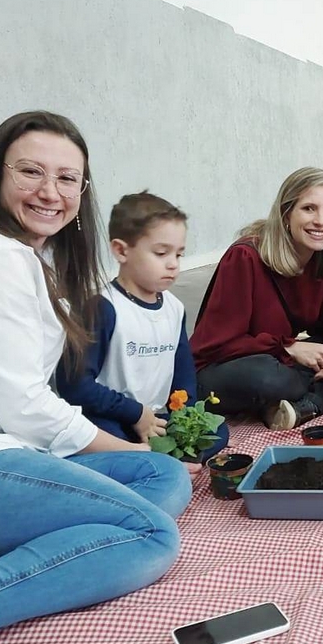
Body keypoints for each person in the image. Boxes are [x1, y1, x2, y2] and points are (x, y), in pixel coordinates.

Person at [0, 111, 191, 631]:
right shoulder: (4, 259)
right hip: (7, 453)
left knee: (165, 474)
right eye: (30, 171)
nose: (50, 192)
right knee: (153, 534)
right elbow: (26, 405)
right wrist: (130, 446)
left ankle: (56, 536)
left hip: (24, 450)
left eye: (67, 178)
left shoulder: (41, 261)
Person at [190, 167, 323, 430]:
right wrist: (289, 348)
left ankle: (304, 405)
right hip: (222, 369)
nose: (320, 221)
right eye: (309, 209)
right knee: (275, 379)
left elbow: (322, 324)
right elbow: (217, 346)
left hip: (276, 357)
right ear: (286, 214)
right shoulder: (246, 257)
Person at [56, 192, 229, 467]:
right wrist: (135, 414)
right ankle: (157, 462)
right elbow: (75, 386)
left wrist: (185, 422)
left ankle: (157, 461)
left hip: (156, 418)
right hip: (111, 417)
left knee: (217, 430)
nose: (173, 263)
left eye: (179, 254)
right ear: (121, 251)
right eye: (161, 253)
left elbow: (183, 377)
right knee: (95, 436)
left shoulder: (174, 308)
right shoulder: (102, 307)